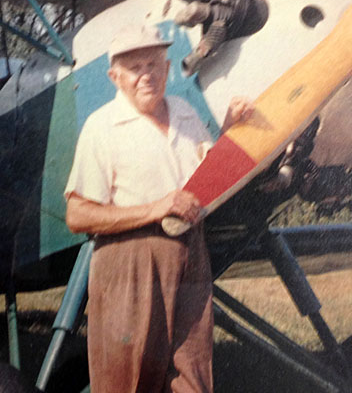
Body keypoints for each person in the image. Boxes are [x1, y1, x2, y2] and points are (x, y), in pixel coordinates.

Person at [64, 24, 253, 393]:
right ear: (115, 77)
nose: (146, 74)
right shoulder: (101, 127)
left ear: (167, 69)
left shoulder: (185, 112)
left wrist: (231, 132)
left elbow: (208, 181)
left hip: (191, 256)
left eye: (154, 64)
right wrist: (157, 207)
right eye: (135, 67)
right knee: (129, 381)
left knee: (193, 378)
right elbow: (78, 216)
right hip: (130, 263)